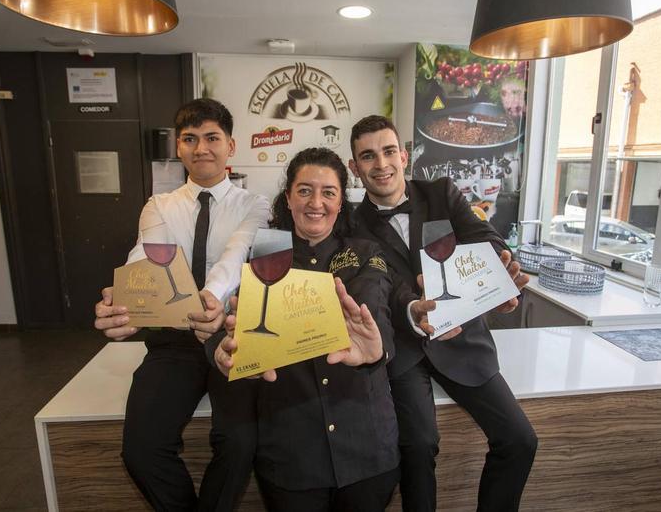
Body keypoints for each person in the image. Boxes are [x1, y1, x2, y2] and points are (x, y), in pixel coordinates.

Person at [348, 115, 537, 512]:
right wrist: (412, 310)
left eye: (387, 151)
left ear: (403, 155)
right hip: (405, 346)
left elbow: (481, 234)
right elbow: (377, 286)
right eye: (367, 156)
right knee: (417, 446)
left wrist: (500, 269)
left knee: (520, 439)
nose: (380, 164)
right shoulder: (350, 225)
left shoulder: (440, 192)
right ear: (354, 167)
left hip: (463, 340)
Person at [93, 98, 270, 511]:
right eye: (190, 139)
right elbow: (144, 255)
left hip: (231, 337)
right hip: (172, 342)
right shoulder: (159, 205)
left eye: (212, 138)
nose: (201, 148)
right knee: (140, 450)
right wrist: (124, 298)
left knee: (241, 443)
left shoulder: (255, 205)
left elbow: (235, 253)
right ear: (178, 147)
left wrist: (211, 298)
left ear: (231, 145)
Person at [211, 147, 400, 511]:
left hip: (367, 447)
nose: (316, 202)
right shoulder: (259, 256)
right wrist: (223, 350)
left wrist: (374, 351)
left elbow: (375, 315)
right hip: (291, 454)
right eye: (304, 190)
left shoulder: (364, 252)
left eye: (328, 192)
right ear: (288, 197)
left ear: (341, 201)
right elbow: (230, 326)